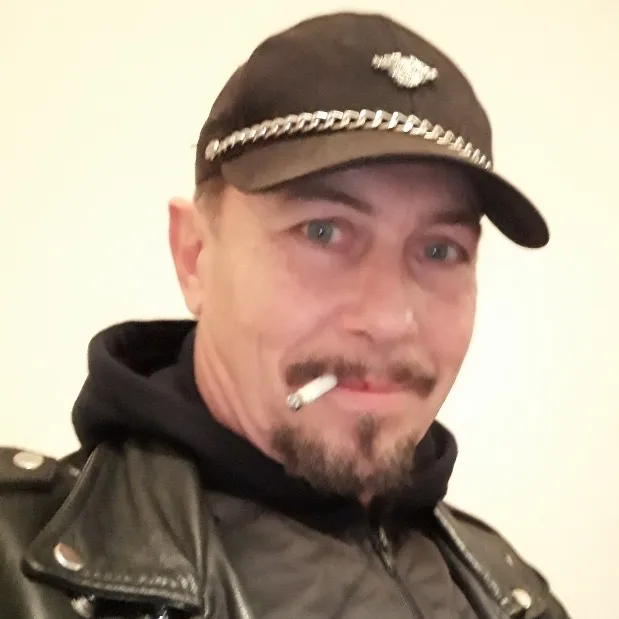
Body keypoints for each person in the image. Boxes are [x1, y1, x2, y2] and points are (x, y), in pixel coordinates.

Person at [0, 11, 571, 619]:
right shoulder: (19, 569)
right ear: (195, 256)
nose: (388, 320)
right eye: (323, 231)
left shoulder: (515, 597)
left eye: (439, 250)